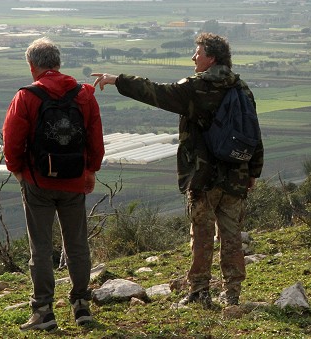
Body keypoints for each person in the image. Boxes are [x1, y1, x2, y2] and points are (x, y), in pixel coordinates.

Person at [92, 32, 264, 308]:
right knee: (232, 235)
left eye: (198, 53)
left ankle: (200, 291)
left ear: (212, 58)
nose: (193, 58)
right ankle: (232, 292)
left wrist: (118, 80)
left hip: (203, 176)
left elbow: (157, 92)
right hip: (236, 174)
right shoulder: (241, 87)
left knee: (202, 236)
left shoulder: (196, 88)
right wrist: (253, 171)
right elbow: (253, 131)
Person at [3, 37, 105, 331]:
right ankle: (82, 306)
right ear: (58, 63)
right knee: (77, 245)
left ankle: (44, 312)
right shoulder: (84, 94)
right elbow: (95, 138)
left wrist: (18, 171)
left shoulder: (26, 97)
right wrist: (90, 170)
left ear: (32, 66)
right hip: (74, 180)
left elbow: (12, 139)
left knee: (41, 248)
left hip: (38, 181)